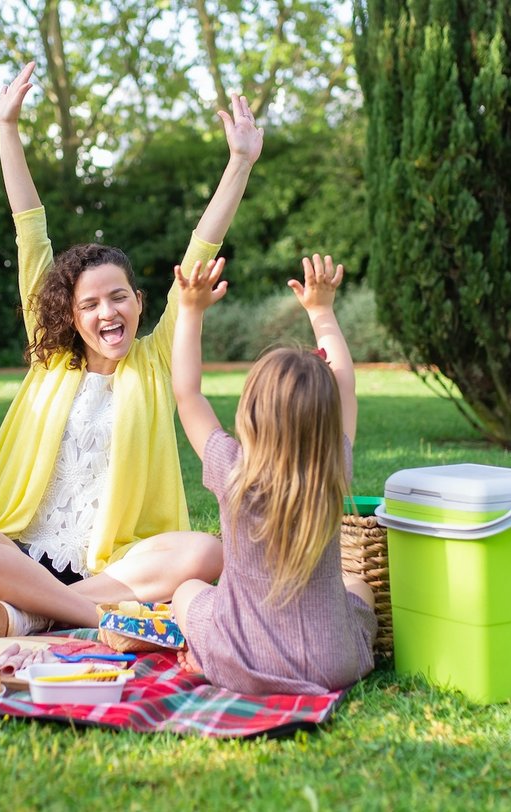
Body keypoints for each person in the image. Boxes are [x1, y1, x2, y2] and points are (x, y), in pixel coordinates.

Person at [0, 61, 262, 635]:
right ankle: (91, 617)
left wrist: (240, 162)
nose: (107, 312)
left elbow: (202, 247)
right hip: (26, 552)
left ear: (140, 302)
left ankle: (33, 614)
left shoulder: (154, 361)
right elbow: (30, 229)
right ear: (70, 316)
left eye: (118, 298)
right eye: (91, 304)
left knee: (206, 552)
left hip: (113, 566)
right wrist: (7, 128)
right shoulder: (51, 357)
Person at [169, 252, 375, 695]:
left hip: (239, 660)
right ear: (327, 419)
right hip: (331, 664)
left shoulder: (232, 469)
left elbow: (187, 395)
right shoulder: (332, 465)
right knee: (358, 584)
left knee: (187, 591)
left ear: (251, 413)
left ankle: (203, 657)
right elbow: (346, 385)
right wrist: (321, 312)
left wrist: (190, 312)